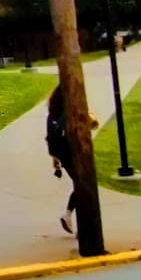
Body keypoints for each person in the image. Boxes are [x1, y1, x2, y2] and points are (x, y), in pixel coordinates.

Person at [45, 85, 98, 235]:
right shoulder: (68, 112)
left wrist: (55, 159)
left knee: (80, 184)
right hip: (71, 150)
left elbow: (50, 136)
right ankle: (71, 217)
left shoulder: (52, 113)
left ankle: (71, 217)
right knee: (83, 184)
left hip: (59, 151)